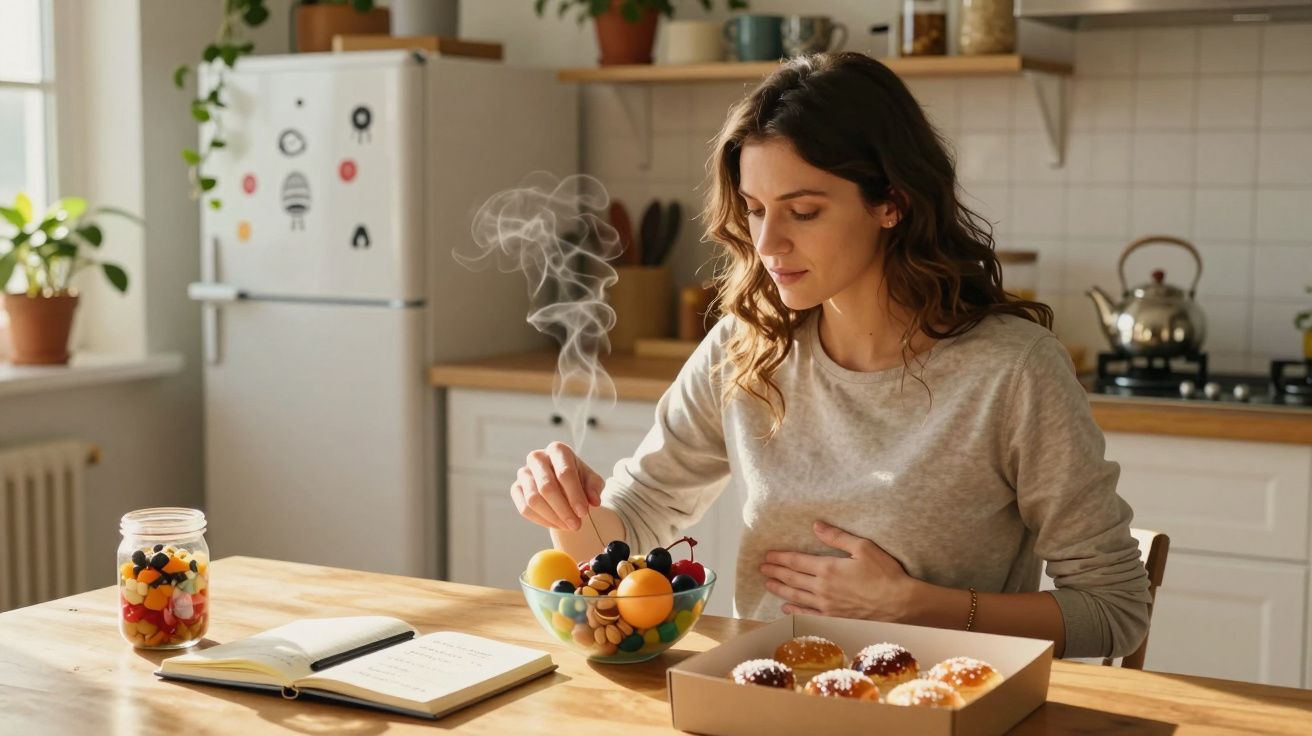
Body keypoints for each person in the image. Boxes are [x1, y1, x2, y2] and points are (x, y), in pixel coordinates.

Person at [509, 52, 1150, 660]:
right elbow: (629, 534)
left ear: (891, 202)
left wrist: (916, 605)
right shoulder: (746, 346)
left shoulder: (1012, 371)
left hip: (938, 709)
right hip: (765, 700)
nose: (768, 242)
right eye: (755, 210)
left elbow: (1115, 611)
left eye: (804, 211)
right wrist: (567, 507)